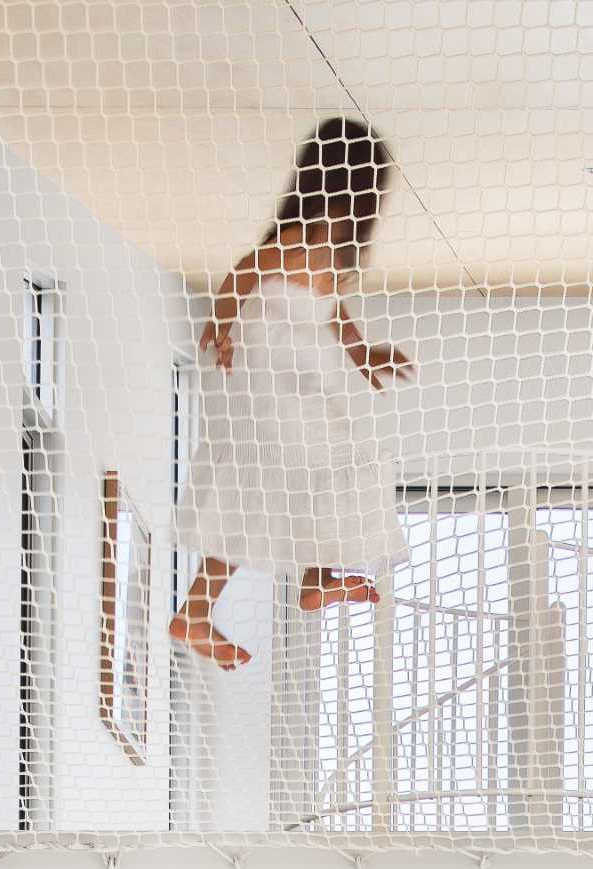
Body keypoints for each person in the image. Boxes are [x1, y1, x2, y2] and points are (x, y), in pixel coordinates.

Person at [169, 116, 412, 669]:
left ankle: (311, 579)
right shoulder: (300, 236)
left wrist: (361, 352)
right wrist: (223, 326)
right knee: (273, 483)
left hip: (298, 379)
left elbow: (332, 314)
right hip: (268, 378)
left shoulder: (334, 253)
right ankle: (207, 610)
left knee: (319, 471)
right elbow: (244, 271)